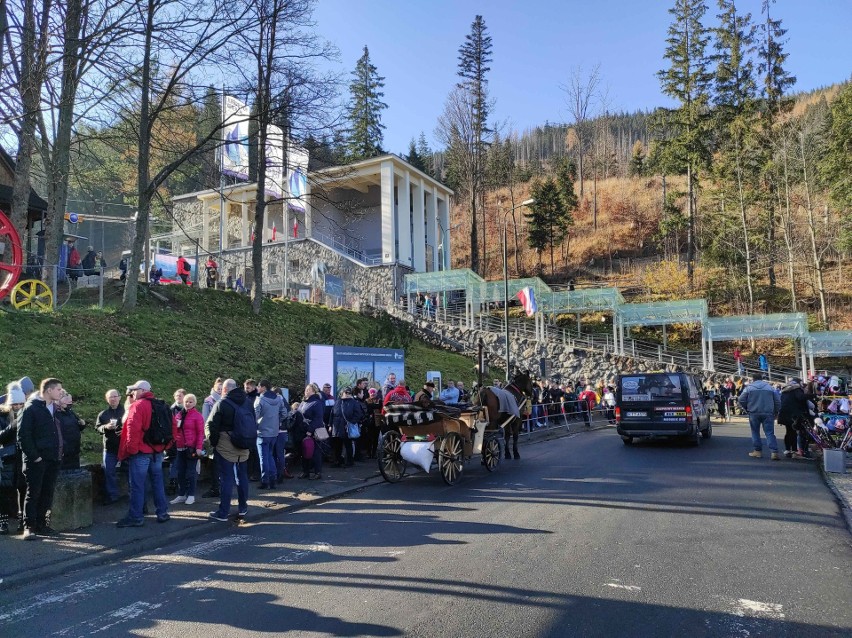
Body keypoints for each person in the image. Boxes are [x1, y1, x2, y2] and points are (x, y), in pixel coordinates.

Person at [116, 380, 170, 527]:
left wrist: (132, 450)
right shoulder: (161, 405)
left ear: (141, 391)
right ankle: (162, 512)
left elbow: (132, 429)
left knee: (137, 485)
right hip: (157, 451)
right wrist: (165, 446)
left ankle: (136, 516)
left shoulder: (138, 406)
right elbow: (171, 428)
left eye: (134, 390)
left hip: (141, 451)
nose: (132, 393)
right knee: (158, 483)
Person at [17, 378, 65, 539]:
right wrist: (35, 457)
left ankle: (42, 525)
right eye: (58, 389)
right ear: (49, 390)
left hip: (53, 458)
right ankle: (29, 527)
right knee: (33, 493)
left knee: (47, 493)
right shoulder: (31, 408)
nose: (61, 392)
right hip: (36, 460)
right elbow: (23, 435)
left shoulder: (54, 408)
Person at [206, 379, 251, 520]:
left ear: (225, 390)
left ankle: (223, 512)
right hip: (244, 444)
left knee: (226, 479)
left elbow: (212, 425)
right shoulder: (247, 402)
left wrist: (213, 442)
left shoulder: (222, 403)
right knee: (242, 477)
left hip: (225, 444)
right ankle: (243, 508)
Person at [0, 383, 26, 534]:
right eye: (14, 403)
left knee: (23, 488)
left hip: (23, 456)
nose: (17, 406)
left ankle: (22, 520)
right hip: (7, 458)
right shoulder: (2, 416)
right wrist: (13, 426)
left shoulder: (27, 414)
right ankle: (2, 522)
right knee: (4, 490)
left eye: (20, 403)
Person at [738, 373, 781, 461]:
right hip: (768, 412)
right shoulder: (770, 387)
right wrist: (776, 411)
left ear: (753, 379)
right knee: (769, 433)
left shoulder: (749, 388)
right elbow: (777, 401)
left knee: (755, 432)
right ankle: (774, 452)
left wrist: (747, 407)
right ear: (762, 378)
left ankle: (758, 451)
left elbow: (741, 399)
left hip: (754, 412)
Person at [170, 393, 204, 505]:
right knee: (180, 472)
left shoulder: (197, 415)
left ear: (194, 403)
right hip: (180, 448)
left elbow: (200, 433)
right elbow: (174, 429)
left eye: (190, 402)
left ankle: (191, 495)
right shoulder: (179, 415)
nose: (188, 403)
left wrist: (199, 447)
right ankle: (181, 494)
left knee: (191, 472)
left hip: (192, 448)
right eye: (186, 401)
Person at [254, 379, 288, 489]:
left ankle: (265, 481)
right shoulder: (279, 399)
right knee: (270, 455)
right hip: (274, 432)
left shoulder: (260, 400)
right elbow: (284, 413)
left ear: (263, 387)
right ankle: (273, 479)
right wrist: (277, 422)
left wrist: (257, 425)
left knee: (263, 457)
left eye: (258, 386)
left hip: (262, 432)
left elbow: (255, 416)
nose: (257, 388)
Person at [96, 389, 124, 505]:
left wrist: (124, 431)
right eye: (110, 397)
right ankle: (113, 495)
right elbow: (97, 427)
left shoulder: (126, 411)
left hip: (124, 447)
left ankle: (134, 495)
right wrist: (105, 427)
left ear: (119, 397)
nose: (113, 399)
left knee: (130, 471)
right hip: (109, 447)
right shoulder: (103, 414)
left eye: (114, 396)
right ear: (107, 399)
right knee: (109, 472)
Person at [200, 378, 224, 499]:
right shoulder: (208, 401)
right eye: (218, 388)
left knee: (218, 462)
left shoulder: (224, 400)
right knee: (213, 461)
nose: (219, 390)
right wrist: (206, 436)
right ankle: (215, 486)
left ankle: (217, 486)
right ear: (214, 388)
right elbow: (205, 419)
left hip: (221, 435)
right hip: (212, 435)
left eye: (221, 388)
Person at [778, 378, 812, 459]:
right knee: (794, 432)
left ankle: (787, 450)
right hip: (794, 414)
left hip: (784, 413)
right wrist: (812, 396)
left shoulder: (785, 389)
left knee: (788, 432)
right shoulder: (797, 389)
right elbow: (801, 397)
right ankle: (794, 451)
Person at [297, 383, 325, 479]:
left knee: (315, 452)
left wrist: (310, 430)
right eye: (306, 389)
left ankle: (317, 472)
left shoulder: (317, 403)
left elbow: (318, 419)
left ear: (313, 391)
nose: (306, 391)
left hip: (313, 431)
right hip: (302, 431)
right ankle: (305, 471)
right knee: (304, 451)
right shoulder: (303, 402)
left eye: (308, 390)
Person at [331, 388, 364, 467]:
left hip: (347, 427)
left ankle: (349, 461)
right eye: (346, 392)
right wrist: (330, 425)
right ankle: (337, 461)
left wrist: (351, 422)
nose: (348, 394)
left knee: (348, 444)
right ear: (342, 393)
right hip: (337, 426)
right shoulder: (337, 402)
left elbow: (358, 414)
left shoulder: (354, 403)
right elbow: (332, 414)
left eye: (349, 393)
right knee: (337, 445)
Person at [55, 392, 85, 471]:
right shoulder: (55, 414)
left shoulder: (70, 412)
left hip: (74, 450)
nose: (69, 404)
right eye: (66, 402)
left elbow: (76, 426)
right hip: (63, 452)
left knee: (75, 474)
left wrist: (82, 425)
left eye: (70, 403)